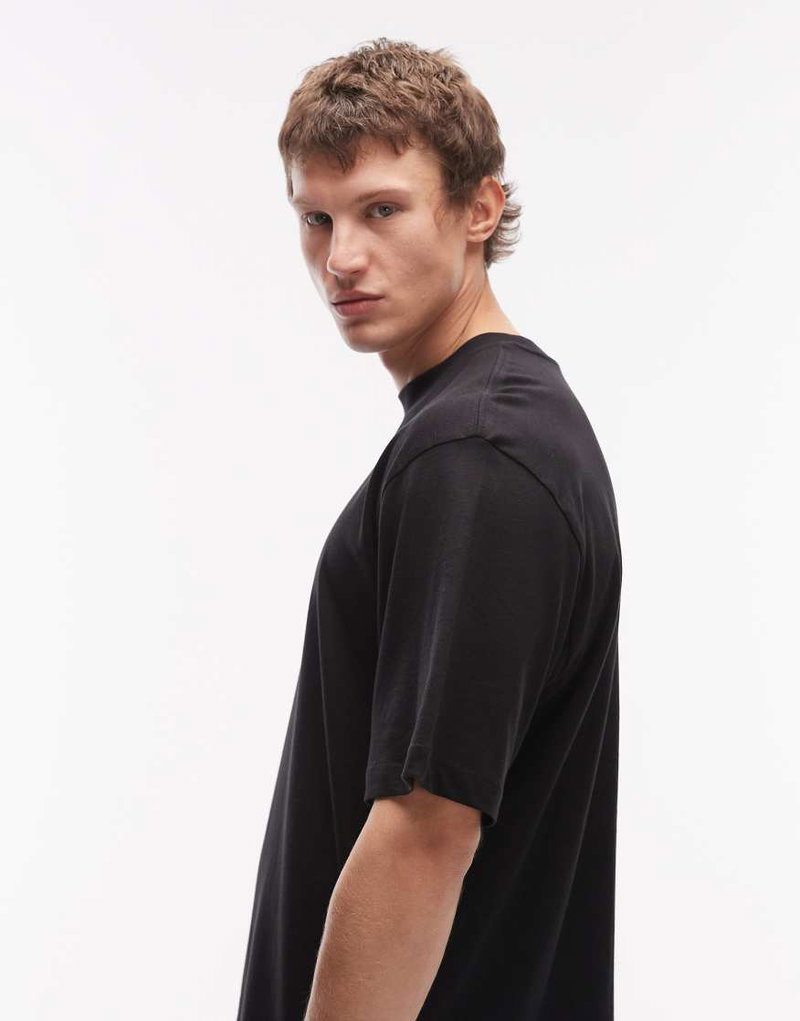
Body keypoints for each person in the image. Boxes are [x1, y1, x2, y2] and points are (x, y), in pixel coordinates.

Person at [236, 36, 622, 1021]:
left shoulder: (477, 454)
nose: (340, 257)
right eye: (316, 218)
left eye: (381, 209)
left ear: (478, 209)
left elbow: (426, 829)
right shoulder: (495, 429)